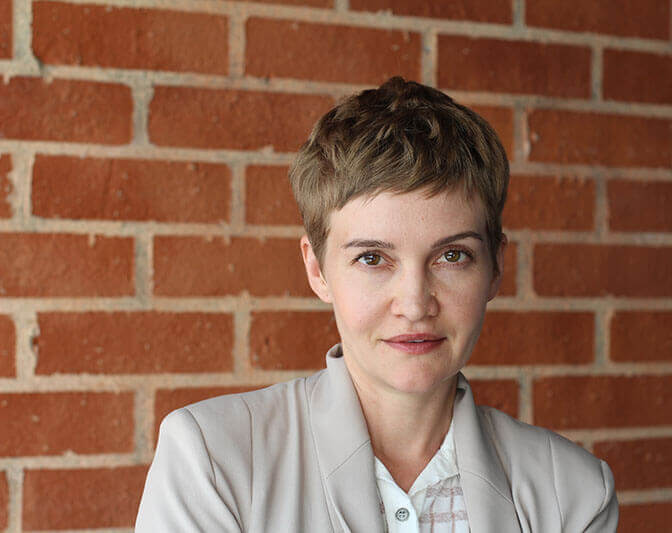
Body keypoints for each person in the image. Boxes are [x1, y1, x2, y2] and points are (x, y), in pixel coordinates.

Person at [135, 77, 618, 532]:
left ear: (494, 268)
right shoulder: (214, 461)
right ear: (317, 269)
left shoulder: (573, 493)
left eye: (452, 256)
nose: (414, 303)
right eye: (372, 258)